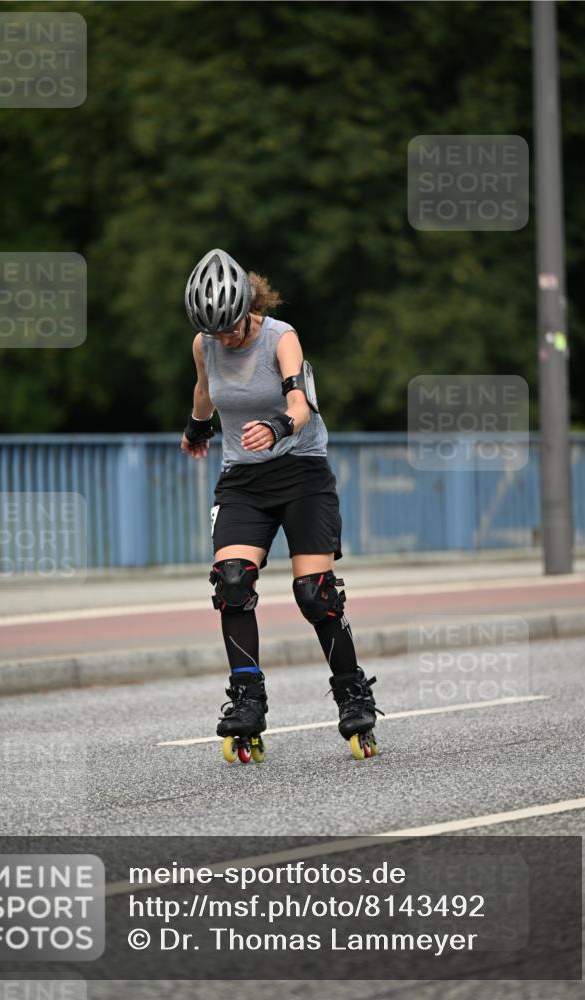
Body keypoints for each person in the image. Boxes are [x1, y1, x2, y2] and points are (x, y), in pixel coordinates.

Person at [180, 248, 381, 762]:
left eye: (230, 328)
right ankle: (247, 701)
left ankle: (353, 695)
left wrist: (276, 426)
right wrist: (198, 426)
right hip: (243, 480)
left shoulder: (280, 337)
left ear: (248, 307)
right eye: (214, 331)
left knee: (315, 594)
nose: (224, 339)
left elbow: (300, 402)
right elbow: (205, 391)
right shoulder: (205, 344)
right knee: (231, 583)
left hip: (301, 472)